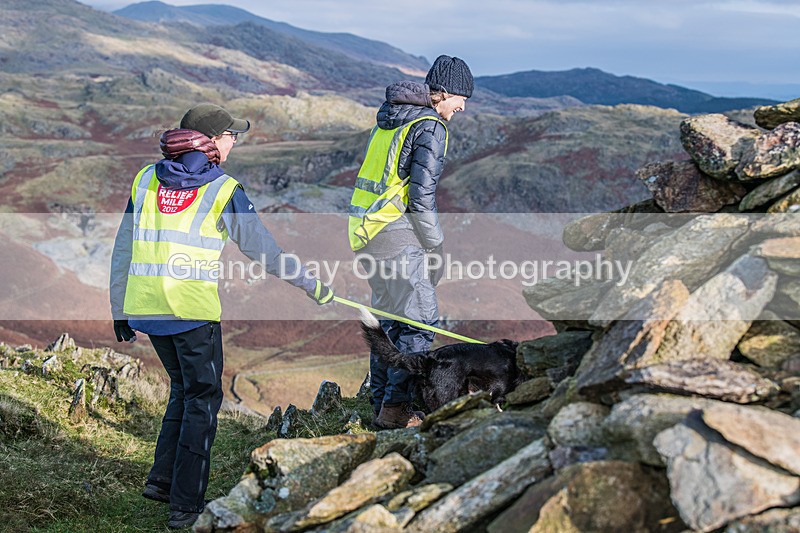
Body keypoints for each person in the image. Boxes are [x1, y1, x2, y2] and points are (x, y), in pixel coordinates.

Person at [109, 103, 334, 529]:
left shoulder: (144, 179)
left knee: (184, 388)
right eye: (231, 135)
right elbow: (264, 251)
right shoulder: (223, 189)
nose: (235, 141)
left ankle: (161, 482)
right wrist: (313, 287)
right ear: (211, 141)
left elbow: (124, 247)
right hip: (191, 312)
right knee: (204, 400)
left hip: (147, 308)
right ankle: (186, 506)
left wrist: (119, 308)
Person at [347, 55, 473, 429]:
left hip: (367, 233)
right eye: (461, 97)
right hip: (398, 234)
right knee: (418, 325)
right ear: (444, 93)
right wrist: (435, 245)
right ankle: (396, 410)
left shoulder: (389, 119)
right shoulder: (430, 126)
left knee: (387, 323)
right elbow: (421, 197)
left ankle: (381, 403)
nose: (463, 106)